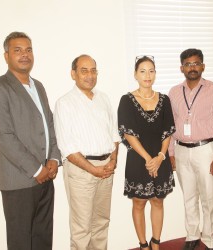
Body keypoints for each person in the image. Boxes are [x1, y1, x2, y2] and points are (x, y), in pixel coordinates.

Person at [0, 31, 61, 250]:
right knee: (20, 242)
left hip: (47, 177)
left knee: (43, 238)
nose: (24, 54)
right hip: (19, 180)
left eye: (28, 49)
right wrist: (37, 170)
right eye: (17, 50)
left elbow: (50, 125)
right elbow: (4, 136)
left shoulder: (39, 86)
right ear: (6, 56)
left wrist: (54, 159)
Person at [53, 55, 120, 250]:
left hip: (106, 168)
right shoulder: (64, 103)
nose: (90, 75)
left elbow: (114, 133)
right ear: (73, 74)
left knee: (101, 222)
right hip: (81, 171)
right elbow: (67, 147)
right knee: (82, 228)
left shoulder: (104, 98)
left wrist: (113, 160)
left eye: (93, 70)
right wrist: (92, 169)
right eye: (84, 71)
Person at [168, 48, 213, 250]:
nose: (192, 67)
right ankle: (192, 235)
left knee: (209, 198)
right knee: (189, 197)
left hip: (207, 150)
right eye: (188, 64)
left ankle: (212, 240)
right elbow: (170, 126)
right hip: (181, 150)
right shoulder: (174, 92)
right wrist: (170, 153)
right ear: (181, 68)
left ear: (203, 66)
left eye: (196, 63)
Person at [118, 55, 176, 250]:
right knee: (139, 203)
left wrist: (160, 157)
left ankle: (156, 242)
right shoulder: (127, 100)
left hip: (160, 158)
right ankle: (143, 245)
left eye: (151, 70)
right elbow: (128, 134)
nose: (147, 75)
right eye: (142, 71)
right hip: (138, 160)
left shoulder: (164, 99)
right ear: (135, 74)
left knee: (157, 201)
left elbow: (168, 131)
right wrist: (148, 159)